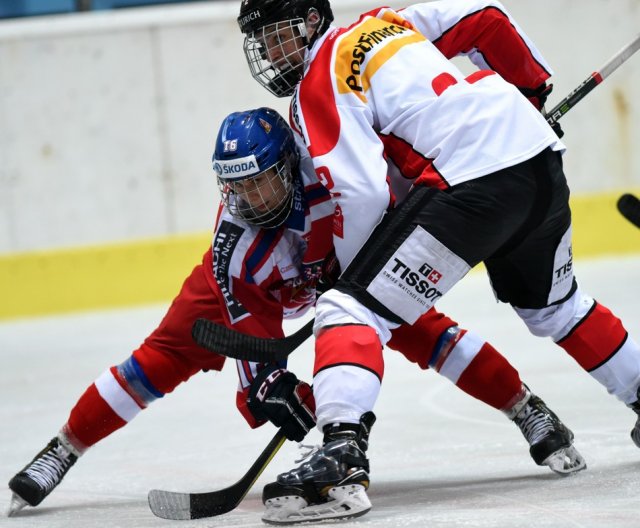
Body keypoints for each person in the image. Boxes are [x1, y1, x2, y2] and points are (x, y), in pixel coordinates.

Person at [7, 108, 583, 519]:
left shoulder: (334, 176)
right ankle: (64, 447)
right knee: (158, 359)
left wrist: (492, 160)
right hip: (253, 292)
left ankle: (527, 408)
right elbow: (256, 362)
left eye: (259, 183)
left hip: (343, 258)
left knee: (423, 327)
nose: (248, 201)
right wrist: (288, 395)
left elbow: (411, 180)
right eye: (236, 188)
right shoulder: (237, 253)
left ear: (289, 166)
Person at [237, 0, 640, 523]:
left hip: (471, 180)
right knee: (557, 310)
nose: (269, 53)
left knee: (349, 310)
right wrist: (531, 92)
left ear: (311, 21)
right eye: (262, 42)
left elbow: (360, 194)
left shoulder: (318, 82)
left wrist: (354, 280)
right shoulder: (384, 22)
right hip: (537, 158)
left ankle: (338, 463)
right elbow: (485, 19)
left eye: (275, 36)